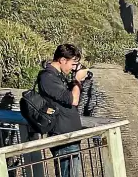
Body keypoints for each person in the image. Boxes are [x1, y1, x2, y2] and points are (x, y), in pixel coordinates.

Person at [37, 44, 89, 177]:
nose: (73, 67)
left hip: (70, 137)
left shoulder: (58, 76)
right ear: (62, 60)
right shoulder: (48, 77)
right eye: (73, 63)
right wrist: (77, 80)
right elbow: (73, 100)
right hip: (63, 138)